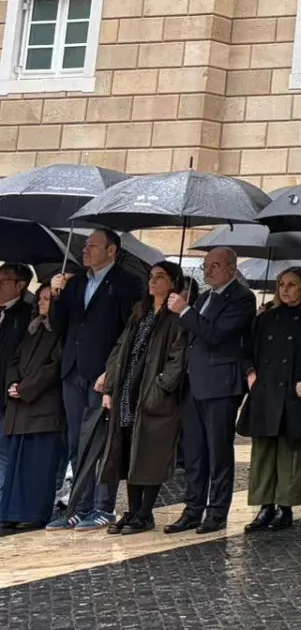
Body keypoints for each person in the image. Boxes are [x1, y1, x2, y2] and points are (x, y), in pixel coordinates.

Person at [46, 228, 146, 530]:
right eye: (85, 245)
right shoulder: (76, 283)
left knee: (103, 442)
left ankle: (103, 506)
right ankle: (79, 504)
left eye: (92, 245)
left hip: (104, 374)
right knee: (77, 441)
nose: (85, 250)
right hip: (73, 371)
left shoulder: (127, 284)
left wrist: (114, 373)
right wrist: (57, 296)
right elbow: (59, 325)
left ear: (111, 250)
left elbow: (129, 333)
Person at [165, 246, 255, 535]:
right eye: (205, 265)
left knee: (218, 451)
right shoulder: (203, 297)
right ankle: (193, 508)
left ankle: (217, 511)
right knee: (194, 452)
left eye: (215, 265)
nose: (208, 270)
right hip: (194, 382)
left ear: (231, 268)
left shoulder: (242, 298)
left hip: (220, 385)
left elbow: (215, 335)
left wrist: (186, 311)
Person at [96, 262, 190, 535]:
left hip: (153, 396)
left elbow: (178, 356)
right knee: (130, 450)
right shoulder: (140, 313)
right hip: (129, 391)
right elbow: (120, 349)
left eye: (160, 277)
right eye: (151, 276)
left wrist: (162, 386)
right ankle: (134, 509)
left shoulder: (176, 318)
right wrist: (110, 386)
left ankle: (145, 512)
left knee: (151, 454)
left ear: (173, 282)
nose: (153, 281)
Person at [242, 268, 301, 532]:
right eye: (281, 284)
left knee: (291, 452)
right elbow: (248, 348)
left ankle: (285, 507)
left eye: (291, 284)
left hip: (295, 391)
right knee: (264, 451)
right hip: (266, 391)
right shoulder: (266, 318)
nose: (285, 289)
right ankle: (264, 506)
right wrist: (251, 374)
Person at [2, 282, 63, 529]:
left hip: (42, 408)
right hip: (20, 408)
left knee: (37, 465)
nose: (41, 303)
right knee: (16, 464)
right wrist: (13, 384)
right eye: (40, 298)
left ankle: (33, 513)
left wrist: (25, 389)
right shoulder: (32, 329)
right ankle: (11, 512)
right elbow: (14, 359)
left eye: (48, 299)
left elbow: (53, 367)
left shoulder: (59, 330)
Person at [0, 264, 32, 515]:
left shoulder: (26, 315)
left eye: (3, 281)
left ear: (20, 285)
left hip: (9, 394)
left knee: (4, 452)